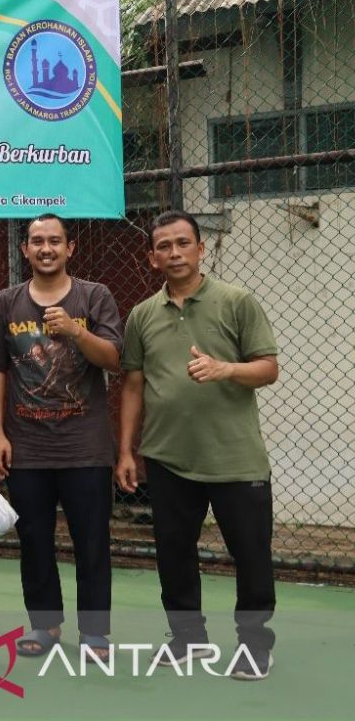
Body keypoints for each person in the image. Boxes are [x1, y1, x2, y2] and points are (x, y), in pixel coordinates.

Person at [116, 210, 280, 680]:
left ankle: (253, 647)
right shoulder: (142, 315)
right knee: (174, 553)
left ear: (200, 249)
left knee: (251, 556)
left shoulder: (237, 302)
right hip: (167, 457)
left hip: (234, 457)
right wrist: (126, 450)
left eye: (183, 243)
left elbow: (268, 368)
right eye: (164, 246)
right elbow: (131, 384)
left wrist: (225, 369)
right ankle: (188, 639)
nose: (174, 253)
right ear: (151, 258)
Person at [0, 214, 122, 658]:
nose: (46, 248)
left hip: (85, 445)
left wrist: (76, 330)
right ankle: (46, 628)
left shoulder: (94, 297)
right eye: (37, 241)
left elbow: (114, 358)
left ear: (70, 248)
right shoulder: (6, 303)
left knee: (92, 543)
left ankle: (95, 633)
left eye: (55, 241)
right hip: (28, 446)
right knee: (35, 542)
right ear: (25, 249)